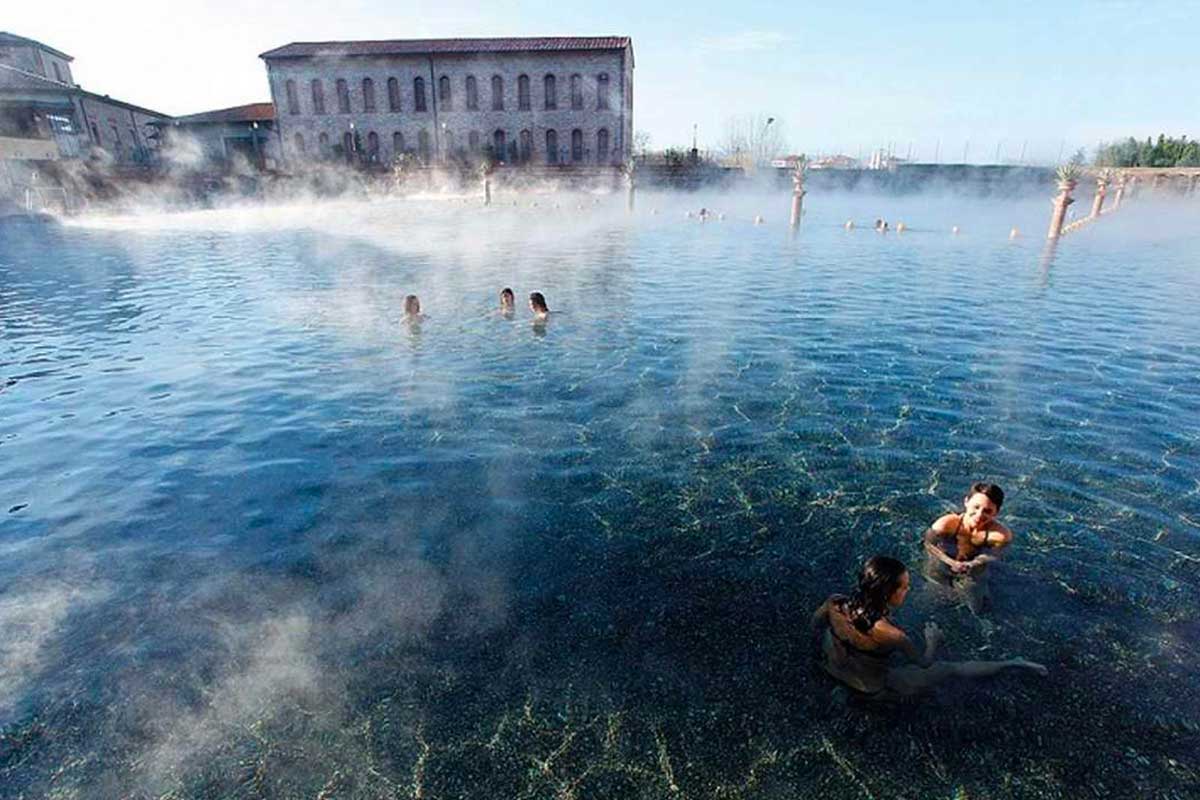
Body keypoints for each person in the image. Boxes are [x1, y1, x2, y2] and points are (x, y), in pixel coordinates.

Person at [811, 556, 1046, 700]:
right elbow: (924, 663)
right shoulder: (893, 635)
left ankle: (840, 692)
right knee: (949, 669)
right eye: (904, 587)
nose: (908, 590)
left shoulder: (835, 602)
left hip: (830, 669)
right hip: (870, 691)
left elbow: (815, 624)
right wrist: (932, 640)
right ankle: (1014, 662)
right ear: (888, 593)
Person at [923, 482, 1012, 613]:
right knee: (935, 595)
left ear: (996, 512)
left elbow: (995, 555)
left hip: (974, 565)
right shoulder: (945, 525)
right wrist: (950, 562)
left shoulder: (1000, 535)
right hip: (945, 558)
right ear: (966, 502)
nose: (979, 515)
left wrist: (972, 563)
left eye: (987, 511)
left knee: (975, 604)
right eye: (976, 507)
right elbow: (929, 545)